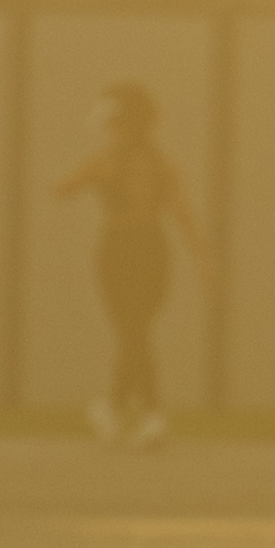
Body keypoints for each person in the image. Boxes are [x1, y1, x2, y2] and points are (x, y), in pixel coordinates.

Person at [53, 80, 208, 450]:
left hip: (140, 248)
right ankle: (135, 411)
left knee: (134, 330)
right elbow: (64, 188)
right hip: (133, 249)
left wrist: (203, 258)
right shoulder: (123, 161)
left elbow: (181, 212)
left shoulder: (150, 164)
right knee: (134, 329)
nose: (112, 129)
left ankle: (128, 409)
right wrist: (86, 178)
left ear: (130, 122)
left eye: (117, 122)